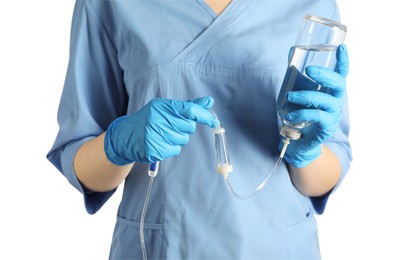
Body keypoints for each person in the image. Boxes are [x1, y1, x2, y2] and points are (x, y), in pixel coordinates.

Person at [47, 0, 352, 259]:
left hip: (276, 245)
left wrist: (306, 153)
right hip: (165, 247)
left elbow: (325, 177)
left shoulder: (312, 6)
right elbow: (81, 164)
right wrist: (119, 145)